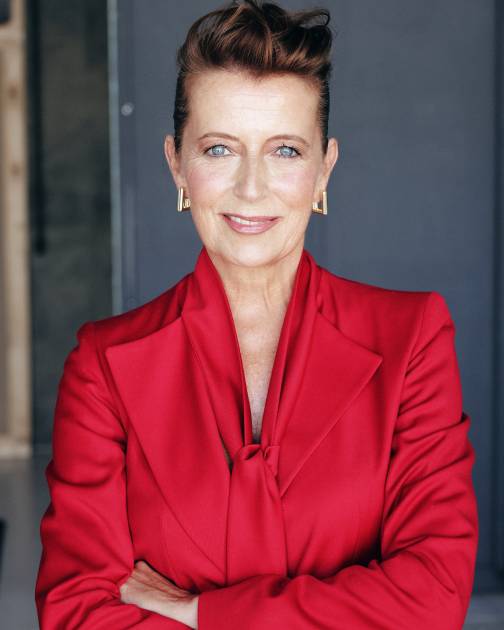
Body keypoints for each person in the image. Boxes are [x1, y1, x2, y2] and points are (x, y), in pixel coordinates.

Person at [35, 1, 479, 628]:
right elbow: (77, 611)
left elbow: (433, 597)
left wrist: (198, 611)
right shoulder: (103, 366)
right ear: (177, 163)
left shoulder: (412, 339)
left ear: (324, 168)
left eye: (285, 151)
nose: (250, 188)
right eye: (219, 148)